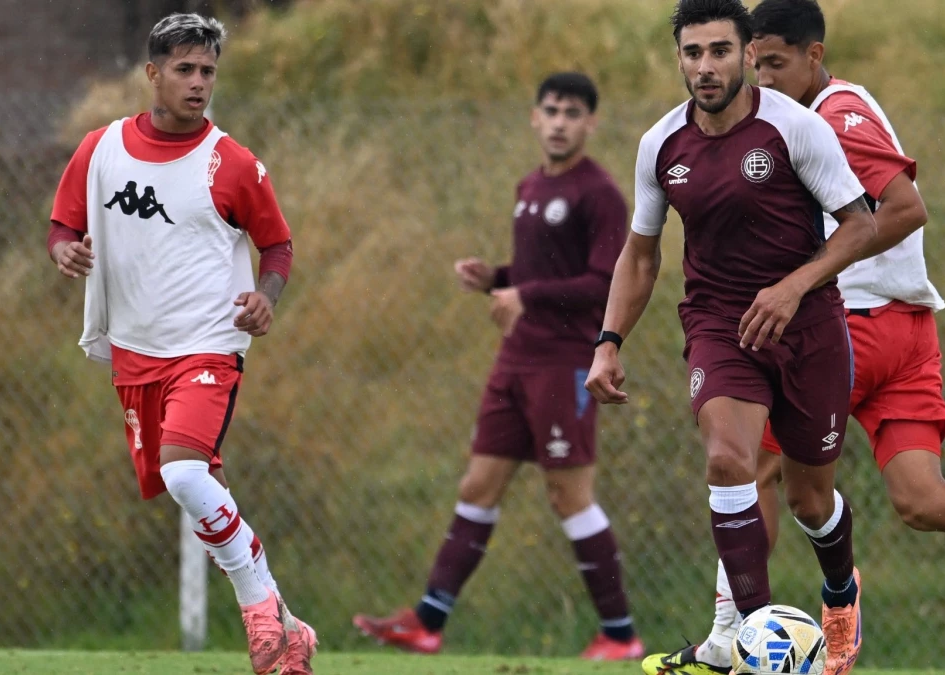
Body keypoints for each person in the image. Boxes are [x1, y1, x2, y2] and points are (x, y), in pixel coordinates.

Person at [642, 2, 945, 673]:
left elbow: (903, 208)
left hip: (854, 326)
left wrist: (803, 278)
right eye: (756, 65)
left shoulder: (832, 117)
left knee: (746, 465)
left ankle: (729, 640)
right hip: (908, 331)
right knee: (920, 499)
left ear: (814, 56)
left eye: (775, 64)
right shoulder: (821, 112)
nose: (764, 79)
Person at [584, 0, 878, 672]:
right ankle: (751, 639)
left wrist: (794, 286)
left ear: (747, 55)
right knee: (726, 459)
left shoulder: (795, 128)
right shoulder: (661, 144)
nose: (705, 67)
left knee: (810, 500)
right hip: (721, 325)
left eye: (719, 51)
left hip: (808, 327)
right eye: (692, 54)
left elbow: (861, 224)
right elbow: (640, 256)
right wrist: (608, 340)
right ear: (679, 60)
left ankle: (841, 591)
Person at [47, 14, 316, 675]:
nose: (199, 83)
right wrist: (65, 252)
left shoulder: (232, 163)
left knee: (185, 473)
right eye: (185, 69)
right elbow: (61, 227)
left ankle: (259, 609)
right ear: (153, 73)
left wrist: (265, 297)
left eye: (208, 72)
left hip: (208, 344)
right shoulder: (100, 149)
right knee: (199, 488)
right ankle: (289, 628)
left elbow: (277, 245)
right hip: (135, 350)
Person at [352, 72, 644, 661]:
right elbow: (540, 271)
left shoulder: (599, 194)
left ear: (591, 123)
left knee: (569, 496)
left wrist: (525, 294)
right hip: (515, 359)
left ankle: (620, 635)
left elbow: (604, 281)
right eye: (551, 110)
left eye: (572, 113)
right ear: (534, 117)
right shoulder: (529, 186)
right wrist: (496, 278)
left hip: (564, 362)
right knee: (478, 486)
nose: (559, 122)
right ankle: (428, 622)